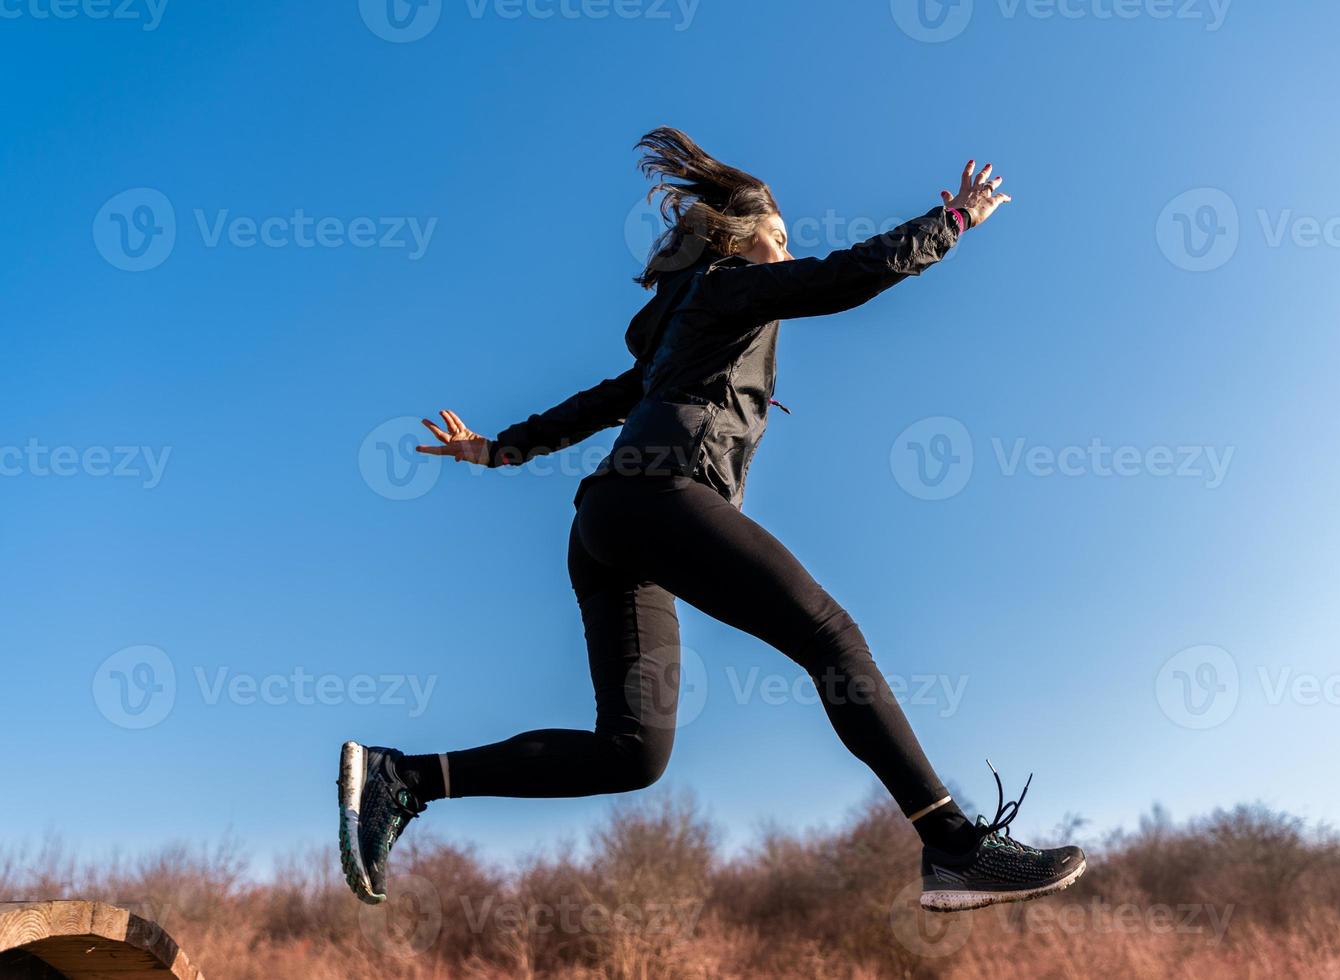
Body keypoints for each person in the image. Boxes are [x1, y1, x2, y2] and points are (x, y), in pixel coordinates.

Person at [336, 127, 1085, 913]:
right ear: (738, 237)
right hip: (659, 494)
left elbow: (602, 400)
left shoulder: (683, 327)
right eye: (782, 235)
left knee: (632, 755)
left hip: (613, 524)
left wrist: (501, 450)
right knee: (829, 636)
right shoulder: (730, 285)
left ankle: (405, 778)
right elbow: (853, 274)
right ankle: (955, 845)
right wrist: (954, 222)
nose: (789, 249)